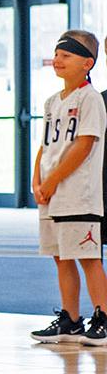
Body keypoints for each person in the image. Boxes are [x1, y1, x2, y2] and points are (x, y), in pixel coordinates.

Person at [29, 31, 107, 347]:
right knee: (61, 258)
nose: (58, 60)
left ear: (87, 63)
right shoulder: (51, 102)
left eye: (67, 56)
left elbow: (84, 145)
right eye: (57, 54)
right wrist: (37, 182)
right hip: (52, 194)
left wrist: (51, 181)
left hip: (79, 193)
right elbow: (45, 146)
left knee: (88, 257)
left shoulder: (91, 99)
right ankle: (70, 320)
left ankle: (102, 317)